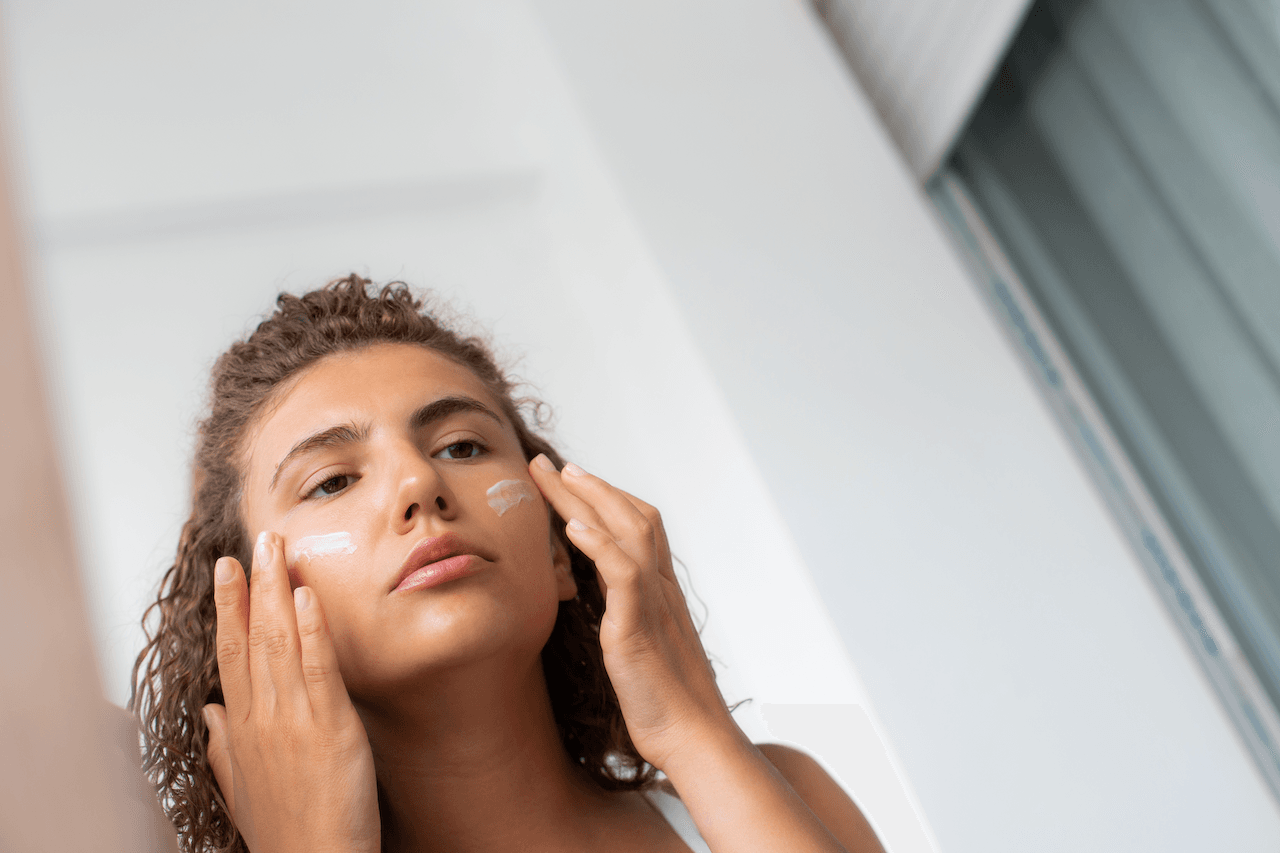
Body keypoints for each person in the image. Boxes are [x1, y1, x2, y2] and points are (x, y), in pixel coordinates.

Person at [132, 275, 885, 853]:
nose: (420, 484)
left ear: (561, 548)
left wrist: (698, 732)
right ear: (250, 622)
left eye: (461, 446)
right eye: (331, 480)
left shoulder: (791, 795)